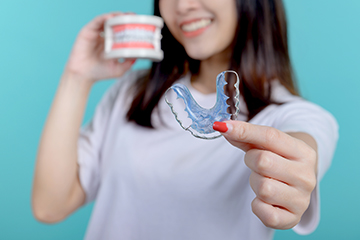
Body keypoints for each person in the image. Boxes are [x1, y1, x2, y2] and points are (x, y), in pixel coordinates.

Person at [32, 0, 338, 239]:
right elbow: (50, 206)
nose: (182, 6)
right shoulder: (131, 93)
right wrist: (77, 77)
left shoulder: (293, 115)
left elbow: (303, 146)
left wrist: (292, 173)